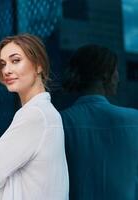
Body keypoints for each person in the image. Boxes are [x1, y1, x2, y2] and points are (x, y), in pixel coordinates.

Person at [0, 34, 69, 200]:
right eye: (3, 64)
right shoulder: (45, 114)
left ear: (39, 66)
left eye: (15, 60)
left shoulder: (34, 116)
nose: (6, 70)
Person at [60, 44, 138, 200]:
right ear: (105, 75)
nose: (118, 77)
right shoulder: (134, 120)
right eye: (116, 70)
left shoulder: (59, 122)